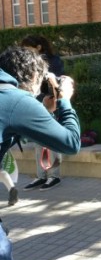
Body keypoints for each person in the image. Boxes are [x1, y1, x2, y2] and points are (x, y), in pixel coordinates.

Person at [0, 46, 81, 260]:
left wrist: (41, 108)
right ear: (34, 76)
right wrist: (64, 101)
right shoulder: (15, 99)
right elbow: (70, 143)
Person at [21, 35, 65, 191]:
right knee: (38, 140)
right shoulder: (29, 62)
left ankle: (54, 176)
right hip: (35, 103)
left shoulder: (53, 61)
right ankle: (41, 176)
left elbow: (58, 82)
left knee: (52, 140)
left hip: (50, 104)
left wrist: (50, 97)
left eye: (27, 48)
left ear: (38, 47)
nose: (25, 51)